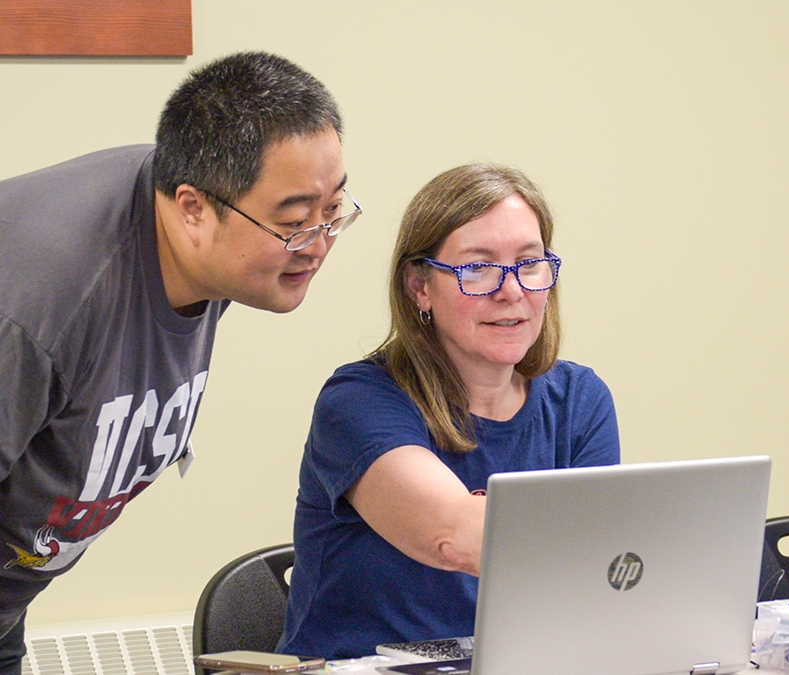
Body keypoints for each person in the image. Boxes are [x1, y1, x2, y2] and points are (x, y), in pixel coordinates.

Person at [0, 52, 357, 674]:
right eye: (297, 221)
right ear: (192, 208)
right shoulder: (39, 304)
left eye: (333, 211)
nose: (319, 243)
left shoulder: (207, 237)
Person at [279, 164, 620, 659]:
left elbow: (590, 593)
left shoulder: (580, 401)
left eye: (529, 263)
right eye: (477, 268)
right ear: (420, 286)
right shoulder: (357, 401)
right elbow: (455, 534)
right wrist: (626, 556)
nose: (512, 290)